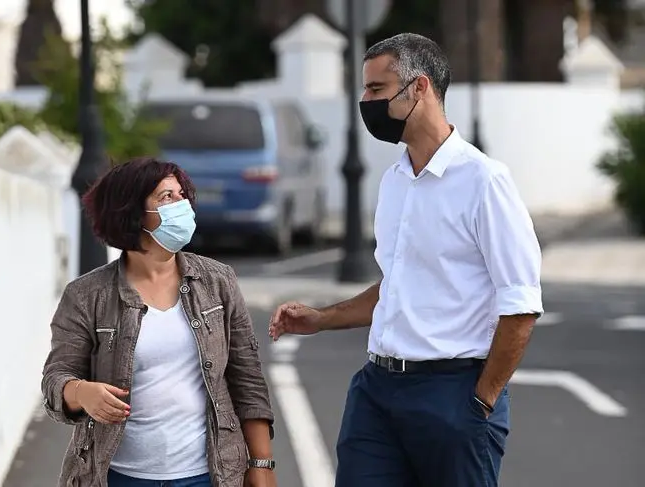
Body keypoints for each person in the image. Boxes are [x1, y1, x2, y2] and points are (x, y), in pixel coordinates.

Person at [268, 33, 543, 487]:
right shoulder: (396, 180)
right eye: (364, 89)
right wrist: (320, 318)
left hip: (453, 395)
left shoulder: (485, 182)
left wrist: (482, 401)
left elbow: (521, 305)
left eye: (377, 89)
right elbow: (397, 285)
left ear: (420, 88)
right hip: (376, 392)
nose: (365, 101)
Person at [41, 157, 277, 487]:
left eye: (182, 195)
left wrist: (262, 464)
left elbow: (247, 378)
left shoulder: (218, 281)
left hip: (209, 474)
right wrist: (80, 393)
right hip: (117, 476)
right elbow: (56, 376)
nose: (182, 205)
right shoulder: (86, 295)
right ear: (132, 213)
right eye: (166, 197)